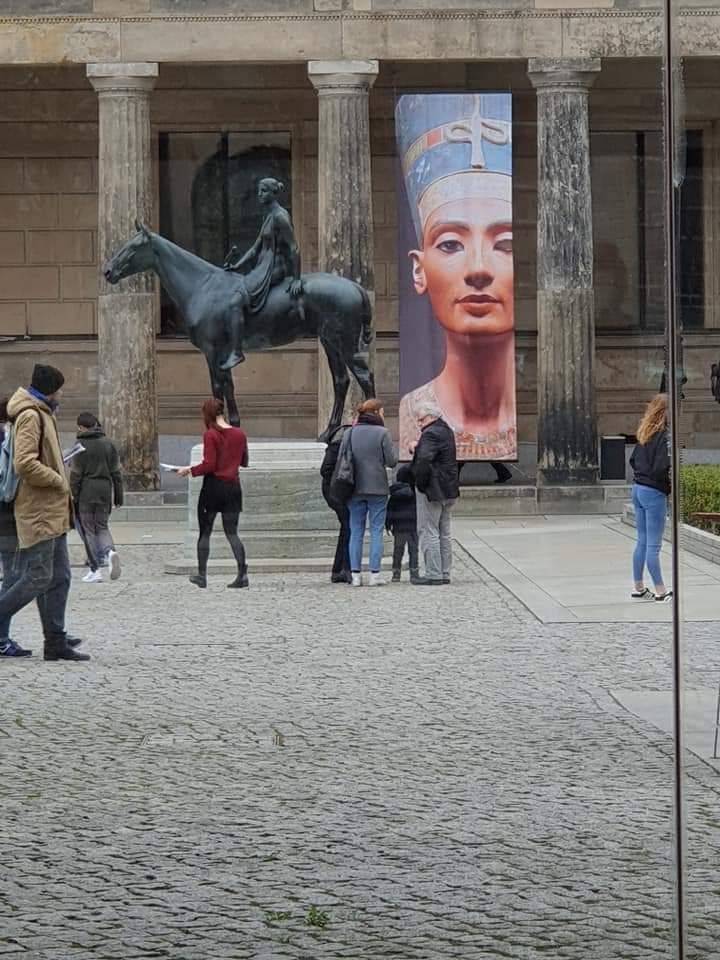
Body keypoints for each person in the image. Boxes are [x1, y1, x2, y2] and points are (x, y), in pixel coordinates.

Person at [396, 93, 516, 465]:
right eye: (450, 244)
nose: (478, 269)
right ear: (419, 270)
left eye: (506, 244)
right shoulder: (411, 414)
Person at [0, 365, 89, 661]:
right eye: (60, 388)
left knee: (60, 576)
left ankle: (55, 641)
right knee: (38, 576)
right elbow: (25, 463)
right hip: (39, 508)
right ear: (50, 389)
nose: (62, 393)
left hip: (53, 509)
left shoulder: (43, 412)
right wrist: (57, 479)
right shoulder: (31, 414)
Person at [221, 177, 303, 370]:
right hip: (262, 267)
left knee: (235, 302)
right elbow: (254, 249)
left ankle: (236, 352)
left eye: (264, 190)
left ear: (274, 193)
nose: (259, 194)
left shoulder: (280, 217)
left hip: (274, 269)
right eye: (259, 190)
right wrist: (237, 266)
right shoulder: (268, 216)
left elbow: (294, 248)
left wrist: (297, 278)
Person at [177, 398, 249, 589]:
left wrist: (189, 470)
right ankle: (242, 574)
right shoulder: (240, 434)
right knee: (232, 533)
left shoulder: (211, 434)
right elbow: (244, 461)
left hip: (213, 487)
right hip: (233, 487)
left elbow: (209, 464)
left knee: (205, 532)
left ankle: (202, 575)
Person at [337, 399, 397, 587]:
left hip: (353, 487)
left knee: (356, 531)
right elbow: (392, 461)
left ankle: (355, 575)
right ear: (377, 412)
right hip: (377, 487)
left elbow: (341, 457)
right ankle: (374, 574)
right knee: (377, 530)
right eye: (383, 412)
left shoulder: (349, 433)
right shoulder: (383, 433)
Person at [70, 412, 123, 583]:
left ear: (81, 427)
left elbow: (76, 475)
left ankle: (95, 570)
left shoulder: (80, 445)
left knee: (88, 530)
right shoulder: (109, 444)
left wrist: (73, 496)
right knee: (102, 526)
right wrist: (119, 495)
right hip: (105, 490)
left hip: (86, 491)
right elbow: (116, 472)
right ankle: (110, 552)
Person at [412, 401, 460, 586]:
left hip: (433, 488)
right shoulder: (446, 430)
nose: (419, 423)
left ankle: (433, 573)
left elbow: (424, 461)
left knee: (429, 530)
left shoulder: (430, 433)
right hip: (448, 487)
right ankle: (445, 572)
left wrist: (420, 483)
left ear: (431, 416)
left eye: (421, 419)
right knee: (444, 532)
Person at [630, 393, 672, 602]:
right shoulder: (664, 436)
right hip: (654, 491)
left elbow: (632, 460)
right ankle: (660, 591)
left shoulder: (644, 432)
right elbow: (661, 467)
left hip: (638, 488)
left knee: (642, 541)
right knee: (654, 545)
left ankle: (638, 587)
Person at [0, 396, 30, 657]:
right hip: (6, 518)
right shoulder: (6, 439)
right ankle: (1, 638)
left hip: (8, 518)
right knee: (12, 578)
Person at [320, 423, 352, 584]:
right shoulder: (336, 447)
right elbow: (325, 470)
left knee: (346, 527)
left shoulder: (336, 445)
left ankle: (339, 569)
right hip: (335, 491)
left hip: (335, 491)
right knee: (348, 526)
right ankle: (344, 568)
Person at [386, 464, 419, 584]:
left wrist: (388, 524)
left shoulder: (394, 494)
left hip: (398, 526)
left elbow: (389, 510)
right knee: (413, 550)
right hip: (412, 525)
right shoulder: (415, 494)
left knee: (398, 550)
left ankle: (396, 573)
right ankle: (414, 572)